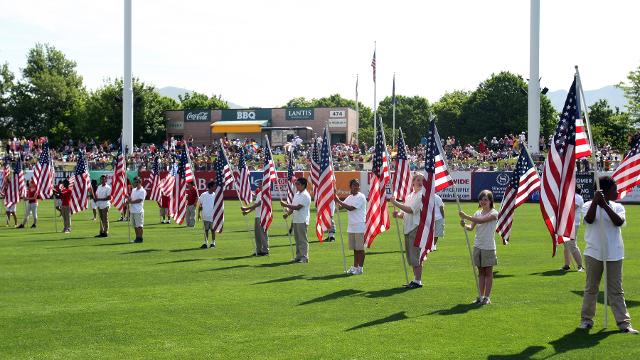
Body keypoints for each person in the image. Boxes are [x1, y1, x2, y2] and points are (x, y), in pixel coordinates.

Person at [578, 176, 638, 334]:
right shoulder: (587, 205)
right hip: (593, 253)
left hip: (615, 253)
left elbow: (618, 222)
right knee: (591, 288)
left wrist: (604, 205)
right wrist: (597, 203)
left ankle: (624, 324)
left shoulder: (618, 207)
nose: (617, 192)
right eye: (614, 189)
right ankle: (586, 321)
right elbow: (589, 220)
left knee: (616, 290)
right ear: (603, 191)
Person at [459, 190, 499, 305]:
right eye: (481, 199)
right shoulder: (477, 213)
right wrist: (464, 225)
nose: (483, 201)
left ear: (490, 201)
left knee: (488, 272)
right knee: (480, 272)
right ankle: (480, 296)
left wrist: (466, 216)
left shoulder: (494, 213)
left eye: (485, 199)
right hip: (478, 245)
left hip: (488, 247)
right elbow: (471, 227)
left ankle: (487, 297)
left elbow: (481, 221)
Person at [390, 173, 427, 289]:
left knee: (416, 256)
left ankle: (418, 280)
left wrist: (395, 203)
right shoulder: (410, 196)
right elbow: (405, 213)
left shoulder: (421, 195)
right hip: (408, 228)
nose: (420, 182)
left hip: (416, 228)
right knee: (411, 257)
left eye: (422, 180)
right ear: (413, 182)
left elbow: (411, 210)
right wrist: (398, 214)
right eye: (418, 180)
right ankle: (415, 279)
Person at [334, 179, 367, 275]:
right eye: (354, 185)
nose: (356, 187)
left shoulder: (361, 197)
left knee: (360, 249)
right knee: (355, 249)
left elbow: (351, 208)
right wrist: (336, 200)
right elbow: (341, 206)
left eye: (357, 185)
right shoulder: (350, 197)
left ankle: (360, 268)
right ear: (351, 187)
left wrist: (339, 200)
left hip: (360, 225)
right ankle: (355, 267)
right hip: (351, 226)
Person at [281, 178, 311, 263]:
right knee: (297, 239)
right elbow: (293, 207)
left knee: (302, 239)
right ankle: (298, 256)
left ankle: (304, 257)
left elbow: (298, 207)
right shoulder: (297, 194)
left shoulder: (306, 195)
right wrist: (288, 214)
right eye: (296, 184)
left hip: (302, 220)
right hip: (296, 219)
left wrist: (286, 205)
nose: (296, 186)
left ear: (303, 185)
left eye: (298, 184)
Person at [241, 181, 269, 256]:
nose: (259, 186)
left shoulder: (265, 193)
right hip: (257, 216)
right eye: (259, 184)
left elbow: (259, 203)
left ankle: (265, 250)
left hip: (263, 216)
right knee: (257, 234)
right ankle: (259, 250)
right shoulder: (259, 193)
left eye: (261, 185)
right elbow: (256, 206)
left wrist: (247, 208)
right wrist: (247, 211)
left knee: (263, 234)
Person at [562, 187, 585, 271]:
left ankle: (580, 266)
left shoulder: (577, 197)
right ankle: (567, 265)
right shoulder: (570, 197)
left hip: (573, 223)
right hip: (566, 222)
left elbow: (571, 208)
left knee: (572, 244)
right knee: (565, 244)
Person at [197, 181, 217, 248]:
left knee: (213, 230)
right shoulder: (203, 195)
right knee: (206, 230)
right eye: (214, 186)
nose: (215, 187)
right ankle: (206, 243)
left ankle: (213, 243)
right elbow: (199, 204)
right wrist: (198, 214)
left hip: (212, 216)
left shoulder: (215, 195)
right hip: (205, 215)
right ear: (210, 187)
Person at [128, 176, 146, 243]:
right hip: (132, 210)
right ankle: (137, 238)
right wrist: (128, 199)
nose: (136, 183)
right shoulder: (133, 190)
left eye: (137, 182)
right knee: (134, 225)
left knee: (139, 226)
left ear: (140, 182)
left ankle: (140, 238)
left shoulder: (143, 191)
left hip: (138, 210)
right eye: (135, 182)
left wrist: (131, 202)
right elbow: (131, 198)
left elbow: (140, 200)